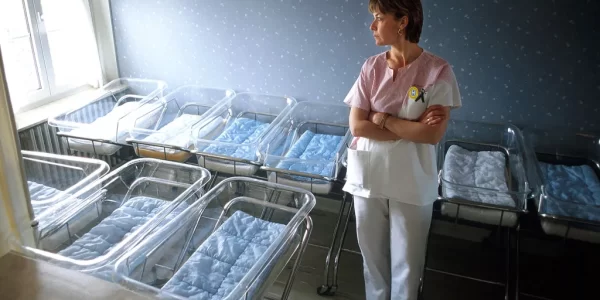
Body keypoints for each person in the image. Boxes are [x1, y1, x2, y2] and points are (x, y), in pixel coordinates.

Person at [342, 0, 462, 299]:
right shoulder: (371, 67)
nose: (372, 26)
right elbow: (357, 127)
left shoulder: (437, 71)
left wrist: (380, 117)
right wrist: (409, 126)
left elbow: (431, 134)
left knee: (407, 262)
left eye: (379, 18)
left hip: (411, 179)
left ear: (402, 21)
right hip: (368, 176)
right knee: (372, 258)